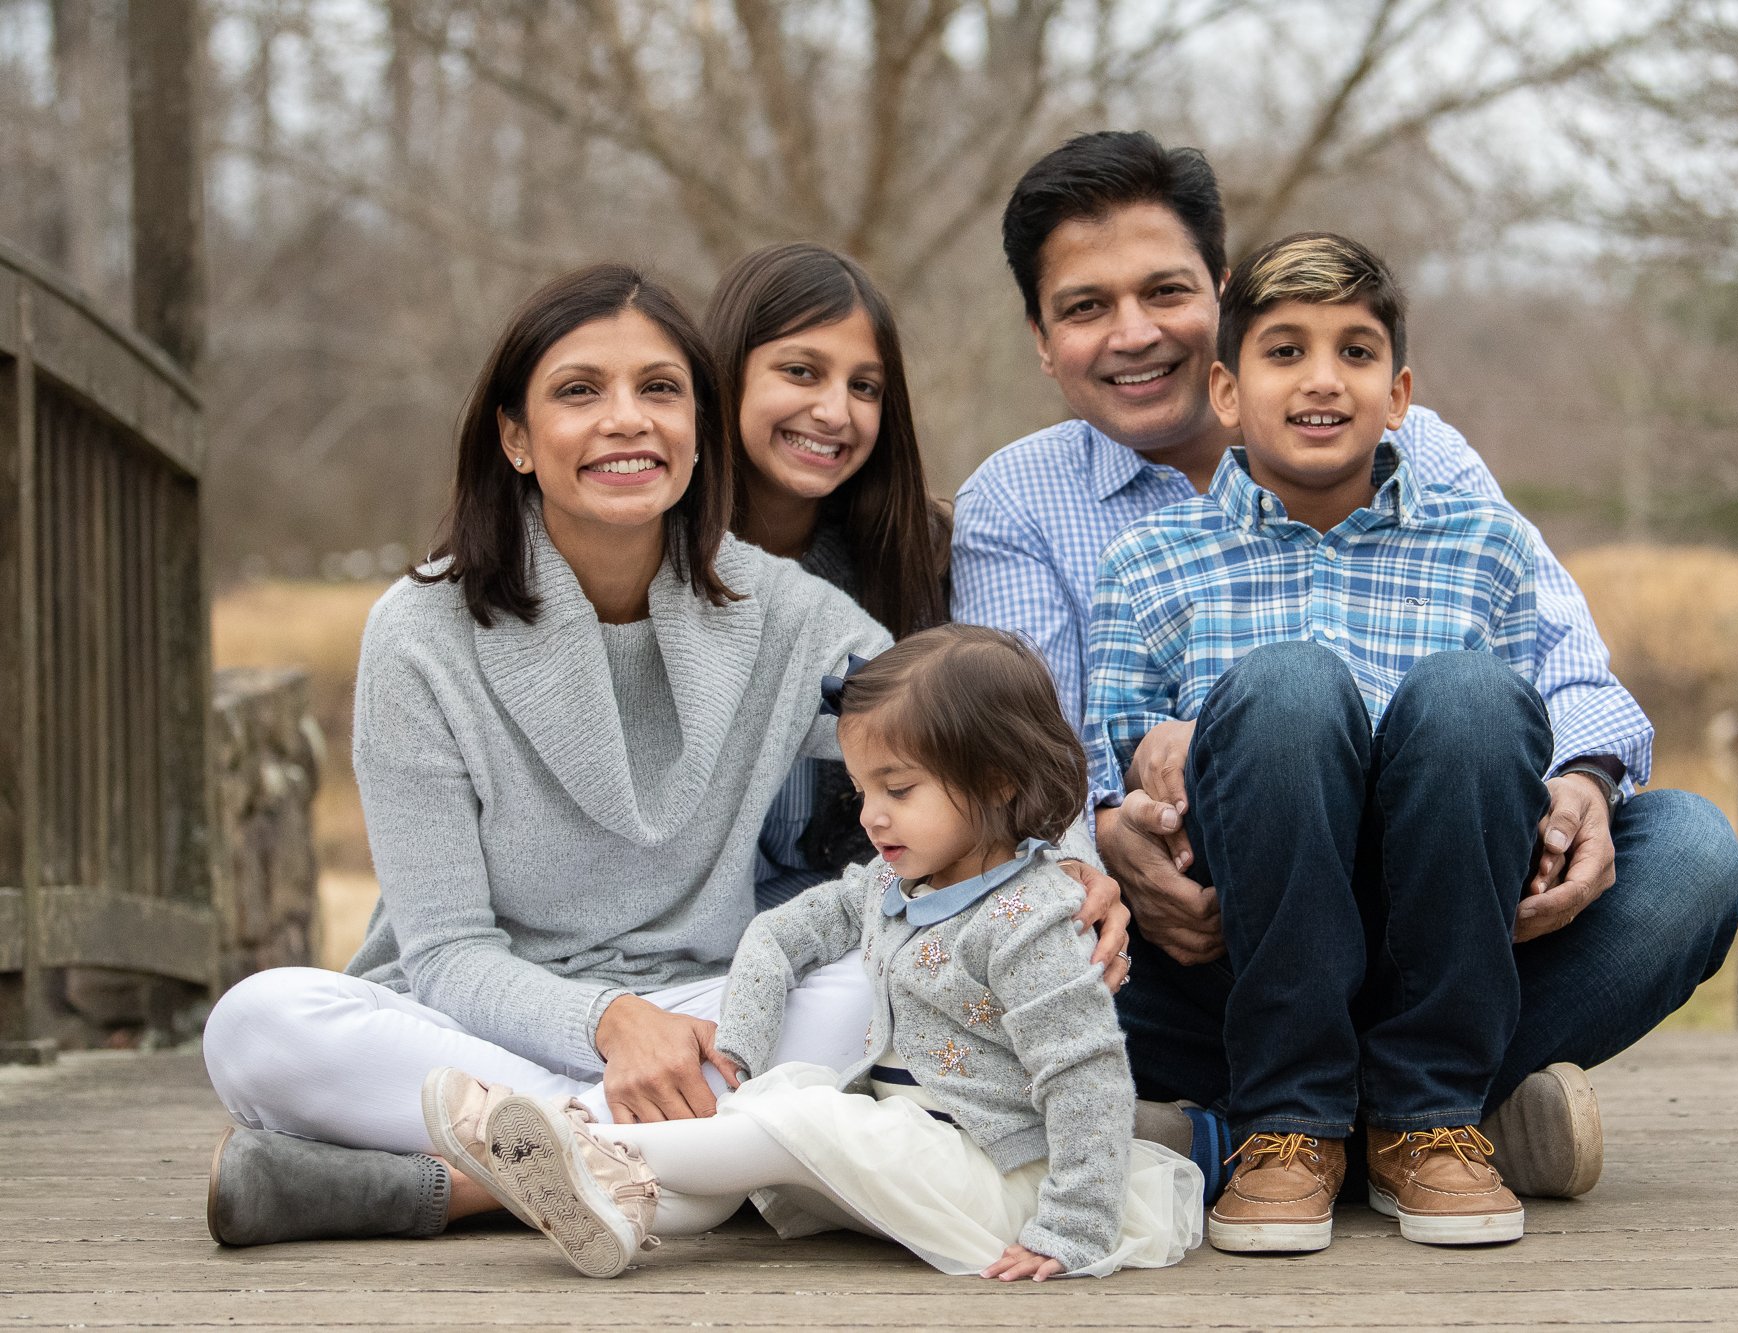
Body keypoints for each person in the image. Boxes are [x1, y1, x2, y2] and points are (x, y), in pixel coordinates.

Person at [197, 264, 1131, 1247]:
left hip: (709, 1007)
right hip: (489, 1014)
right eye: (578, 392)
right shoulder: (419, 630)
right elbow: (444, 953)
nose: (625, 419)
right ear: (514, 436)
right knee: (257, 1023)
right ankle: (685, 1165)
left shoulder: (779, 606)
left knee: (896, 972)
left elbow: (967, 726)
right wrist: (606, 1024)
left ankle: (502, 1172)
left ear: (697, 429)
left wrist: (1069, 858)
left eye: (658, 390)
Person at [953, 130, 1738, 1203]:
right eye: (1085, 307)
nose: (1132, 333)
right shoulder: (1019, 501)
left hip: (1443, 915)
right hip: (1205, 940)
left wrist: (1582, 785)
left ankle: (1311, 1120)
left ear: (1220, 294)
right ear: (1043, 343)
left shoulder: (1423, 456)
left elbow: (1564, 667)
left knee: (1691, 854)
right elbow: (1027, 756)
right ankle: (1417, 1117)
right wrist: (1105, 833)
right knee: (1009, 937)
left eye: (1164, 291)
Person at [424, 626, 1202, 1280]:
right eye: (863, 790)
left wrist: (1069, 1229)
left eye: (899, 789)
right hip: (903, 1158)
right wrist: (743, 1055)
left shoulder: (1029, 916)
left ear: (994, 778)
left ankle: (576, 1145)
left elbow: (1087, 1075)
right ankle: (619, 1213)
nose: (872, 816)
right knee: (776, 1106)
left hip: (997, 1183)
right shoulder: (889, 886)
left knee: (810, 1117)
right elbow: (777, 935)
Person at [1090, 232, 1549, 1250]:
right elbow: (1104, 768)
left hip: (1454, 919)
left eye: (1353, 352)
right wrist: (1143, 778)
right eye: (1284, 351)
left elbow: (1546, 717)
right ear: (1223, 389)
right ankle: (1290, 1120)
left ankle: (1429, 1113)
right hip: (1240, 934)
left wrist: (1576, 785)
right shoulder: (1146, 566)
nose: (1320, 381)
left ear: (1398, 395)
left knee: (1491, 708)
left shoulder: (1489, 544)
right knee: (1287, 685)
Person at [704, 243, 952, 909]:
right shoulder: (649, 552)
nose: (836, 412)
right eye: (801, 371)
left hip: (853, 918)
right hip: (676, 941)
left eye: (864, 386)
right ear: (727, 374)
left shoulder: (919, 555)